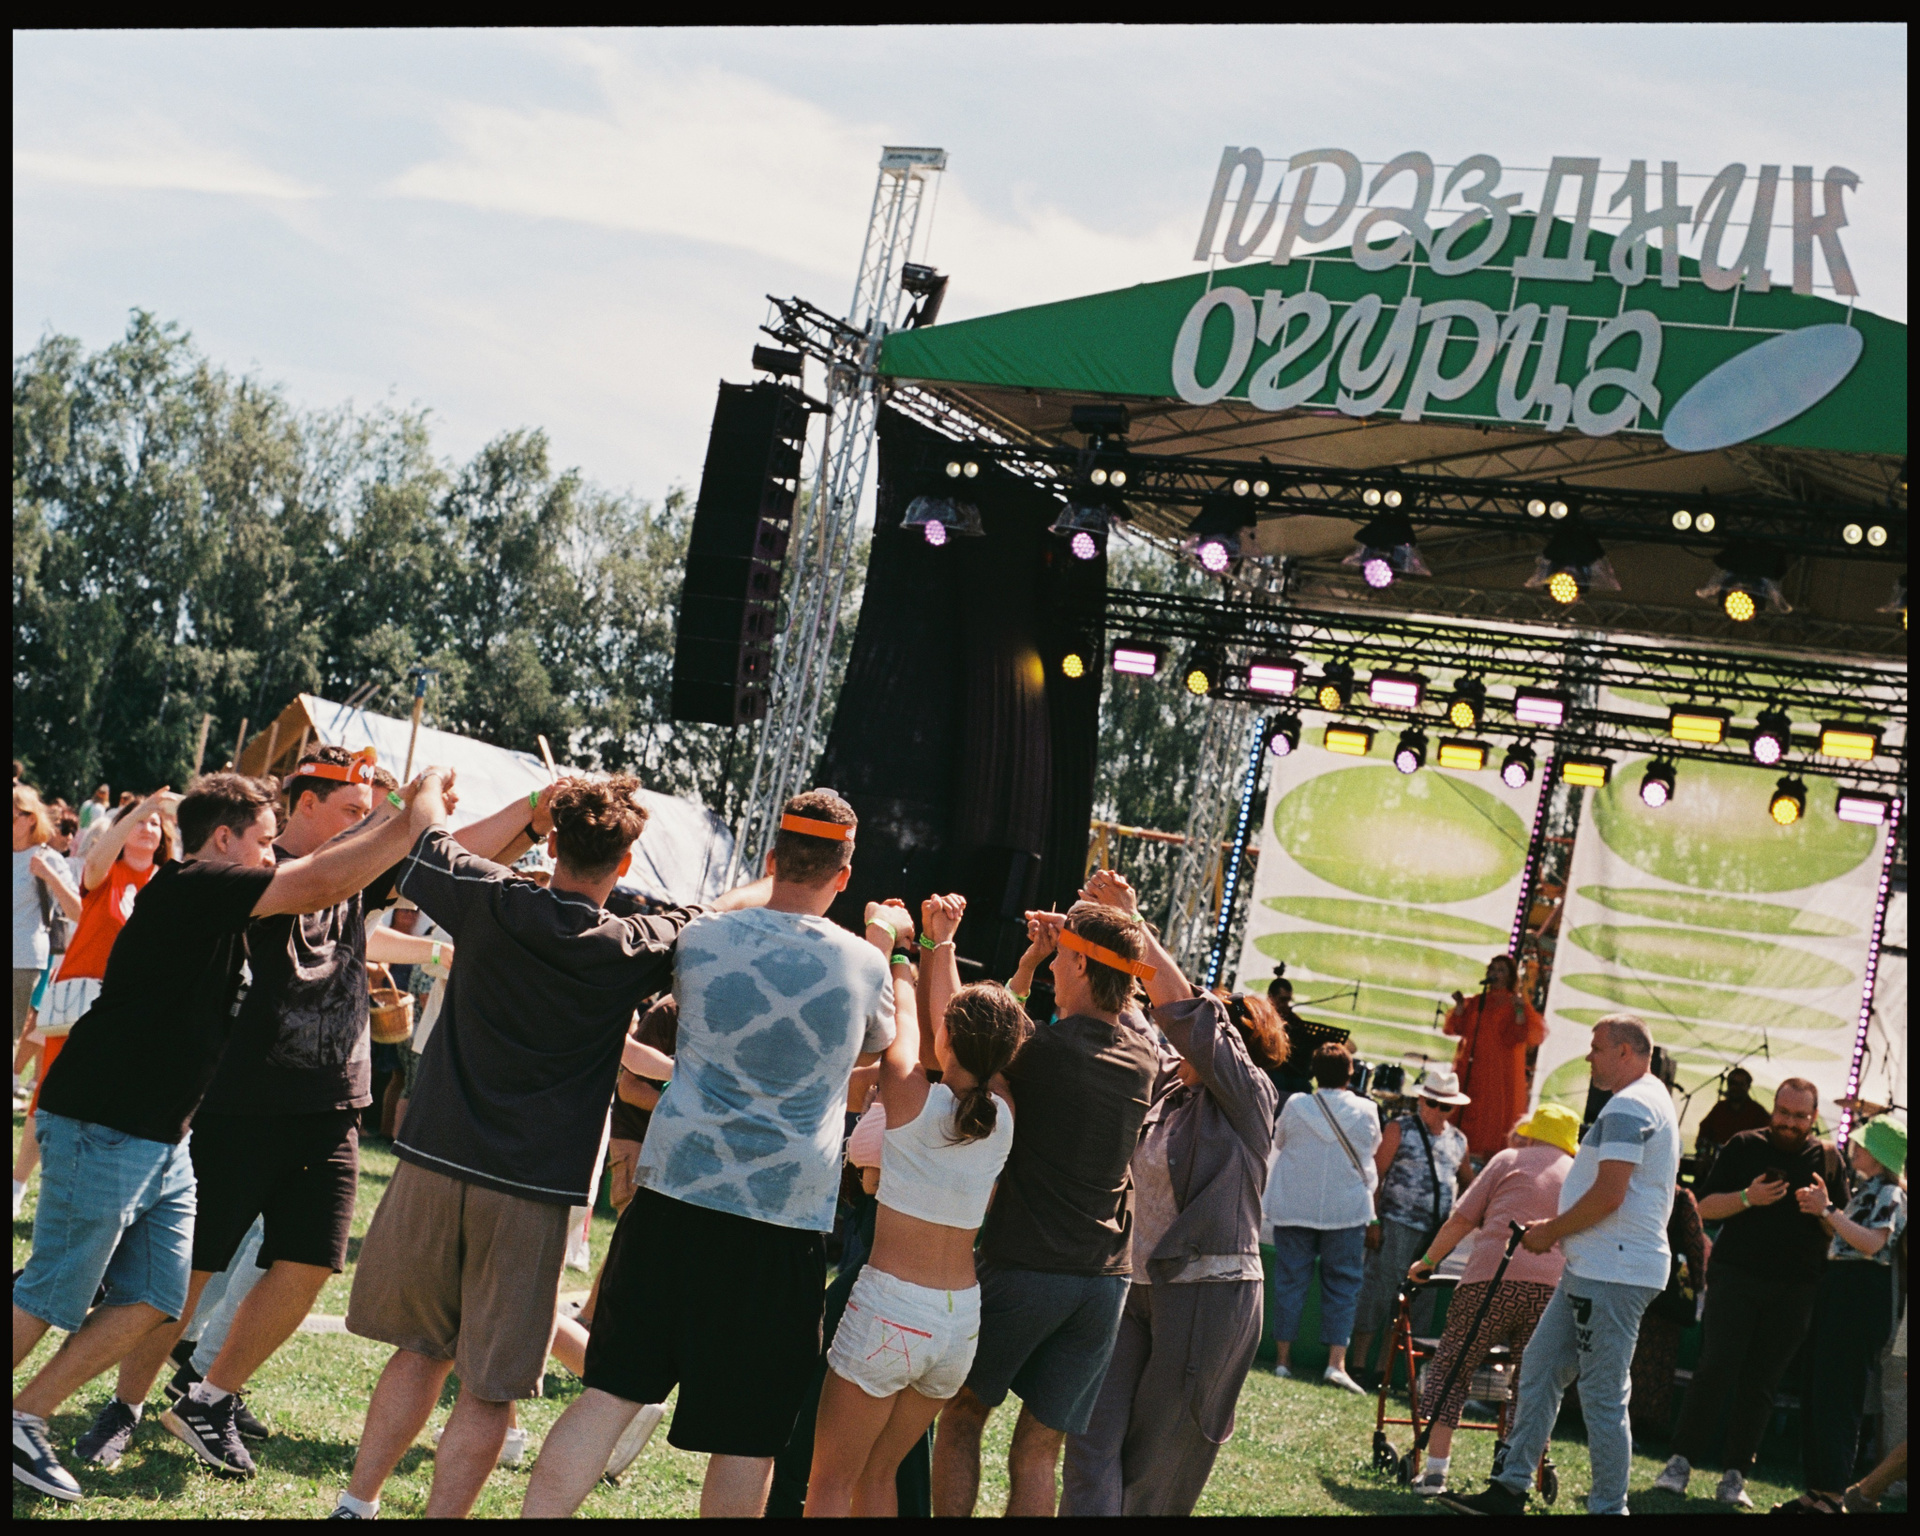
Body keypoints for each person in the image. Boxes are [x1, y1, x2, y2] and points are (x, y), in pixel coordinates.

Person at [335, 773, 760, 1521]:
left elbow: (421, 832)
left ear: (555, 844)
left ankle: (355, 1505)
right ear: (625, 862)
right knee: (489, 1388)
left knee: (419, 1353)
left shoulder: (491, 898)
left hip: (436, 1157)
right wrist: (777, 877)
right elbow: (722, 910)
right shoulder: (631, 944)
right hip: (534, 1188)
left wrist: (460, 795)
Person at [12, 768, 439, 1505]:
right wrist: (410, 811)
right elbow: (318, 881)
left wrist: (403, 820)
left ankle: (26, 1416)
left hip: (162, 1135)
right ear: (222, 840)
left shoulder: (219, 892)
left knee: (155, 1297)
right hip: (102, 1121)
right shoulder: (195, 885)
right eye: (266, 842)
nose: (274, 855)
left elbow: (330, 879)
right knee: (54, 1289)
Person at [518, 790, 887, 1521]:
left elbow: (709, 930)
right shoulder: (866, 964)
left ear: (773, 858)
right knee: (748, 1442)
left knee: (607, 1395)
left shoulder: (702, 939)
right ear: (845, 875)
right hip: (781, 1224)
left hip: (674, 1202)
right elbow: (877, 1054)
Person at [1060, 871, 1283, 1518]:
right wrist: (1082, 945)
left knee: (1155, 1468)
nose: (1179, 1033)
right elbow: (1128, 1008)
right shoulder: (1165, 1081)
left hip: (1207, 1295)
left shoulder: (1249, 1099)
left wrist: (1135, 923)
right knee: (1089, 1440)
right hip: (1131, 1285)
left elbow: (1181, 1010)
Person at [929, 899, 1160, 1519]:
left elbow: (974, 1041)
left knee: (962, 1415)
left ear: (1081, 966)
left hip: (1028, 1265)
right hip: (1104, 1282)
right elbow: (1113, 1008)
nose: (1056, 964)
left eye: (1063, 957)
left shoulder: (1044, 1054)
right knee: (1039, 1452)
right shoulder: (1143, 1058)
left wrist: (1015, 965)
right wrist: (1047, 956)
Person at [804, 894, 1025, 1516]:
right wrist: (936, 945)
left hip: (892, 1309)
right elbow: (955, 1031)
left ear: (947, 1037)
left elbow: (904, 1020)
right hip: (959, 1324)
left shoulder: (910, 1097)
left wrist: (904, 949)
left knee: (830, 1483)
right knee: (879, 1479)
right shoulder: (1005, 1113)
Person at [1439, 1014, 1680, 1517]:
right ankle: (1509, 1489)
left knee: (1602, 1395)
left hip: (1611, 1272)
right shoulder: (1647, 1098)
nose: (1589, 1057)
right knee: (1540, 1369)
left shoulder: (1631, 1104)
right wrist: (1559, 1228)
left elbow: (1610, 1194)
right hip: (1596, 1268)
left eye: (1597, 1047)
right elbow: (1612, 1192)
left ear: (1625, 1052)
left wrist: (1551, 1230)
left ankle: (1608, 1509)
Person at [1651, 1076, 1846, 1508]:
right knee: (1715, 1368)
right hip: (1736, 1277)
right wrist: (1747, 1197)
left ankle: (1735, 1475)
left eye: (1799, 1116)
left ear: (1814, 1118)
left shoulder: (1828, 1159)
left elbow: (1842, 1231)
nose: (1789, 1123)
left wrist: (1823, 1210)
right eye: (1783, 1113)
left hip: (1796, 1287)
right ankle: (1679, 1463)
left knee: (1762, 1382)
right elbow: (1703, 1207)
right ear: (1772, 1108)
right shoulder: (1743, 1145)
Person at [1400, 1103, 1579, 1497]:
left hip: (1491, 1280)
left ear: (1531, 1132)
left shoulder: (1508, 1159)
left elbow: (1462, 1219)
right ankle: (1515, 1475)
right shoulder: (1578, 1174)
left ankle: (1435, 1472)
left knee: (1453, 1368)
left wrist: (1427, 1262)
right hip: (1551, 1291)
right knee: (1534, 1384)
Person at [15, 791, 177, 1212]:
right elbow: (98, 860)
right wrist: (142, 809)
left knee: (108, 1100)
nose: (147, 827)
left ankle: (79, 1189)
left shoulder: (167, 882)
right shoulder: (107, 873)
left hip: (133, 1009)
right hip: (80, 999)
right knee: (50, 1091)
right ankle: (17, 1184)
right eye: (138, 821)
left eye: (155, 823)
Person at [1771, 1113, 1907, 1515]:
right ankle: (1818, 1488)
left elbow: (1871, 1244)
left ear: (1879, 1155)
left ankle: (1832, 1494)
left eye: (1863, 1144)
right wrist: (1824, 1210)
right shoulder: (1868, 1190)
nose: (1854, 1148)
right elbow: (1846, 1235)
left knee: (1839, 1394)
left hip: (1862, 1294)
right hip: (1842, 1287)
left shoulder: (1892, 1194)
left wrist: (1828, 1209)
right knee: (1818, 1388)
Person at [1263, 1039, 1381, 1394]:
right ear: (1350, 1073)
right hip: (1345, 1207)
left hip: (1295, 1203)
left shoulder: (1297, 1105)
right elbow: (1371, 1149)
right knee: (1343, 1285)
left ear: (1314, 1073)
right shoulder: (1367, 1110)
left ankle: (1283, 1360)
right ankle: (1336, 1363)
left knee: (1290, 1281)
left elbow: (1280, 1141)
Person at [1350, 1068, 1471, 1385]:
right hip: (1396, 1224)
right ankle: (1358, 1363)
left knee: (1414, 1303)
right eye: (1432, 1103)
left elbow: (1469, 1184)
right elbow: (1375, 1176)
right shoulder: (1399, 1129)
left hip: (1434, 1234)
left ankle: (1385, 1370)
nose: (1437, 1111)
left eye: (1445, 1106)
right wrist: (1374, 1220)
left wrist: (1459, 1222)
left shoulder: (1458, 1140)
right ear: (1421, 1100)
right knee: (1378, 1294)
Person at [1627, 1180, 1707, 1450]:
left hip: (1625, 1279)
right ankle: (1635, 1424)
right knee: (1652, 1362)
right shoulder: (1680, 1196)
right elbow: (1695, 1245)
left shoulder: (1630, 1185)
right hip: (1663, 1289)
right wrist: (1697, 1283)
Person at [1443, 955, 1545, 1160]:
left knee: (1488, 1115)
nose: (1495, 973)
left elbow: (1523, 1036)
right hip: (1471, 1067)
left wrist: (1519, 1010)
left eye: (1501, 970)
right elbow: (1458, 1029)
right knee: (1463, 1109)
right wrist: (1460, 1006)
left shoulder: (1515, 1002)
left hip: (1496, 1071)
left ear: (1509, 977)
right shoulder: (1477, 1001)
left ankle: (1479, 1160)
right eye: (1493, 969)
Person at [12, 785, 57, 1068]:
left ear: (31, 819)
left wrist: (50, 875)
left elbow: (77, 910)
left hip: (22, 958)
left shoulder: (46, 858)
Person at [1695, 1065, 1770, 1150]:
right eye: (1732, 1083)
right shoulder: (1720, 1108)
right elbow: (1704, 1131)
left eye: (1741, 1084)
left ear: (1748, 1087)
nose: (1735, 1088)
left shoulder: (1757, 1112)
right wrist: (1703, 1150)